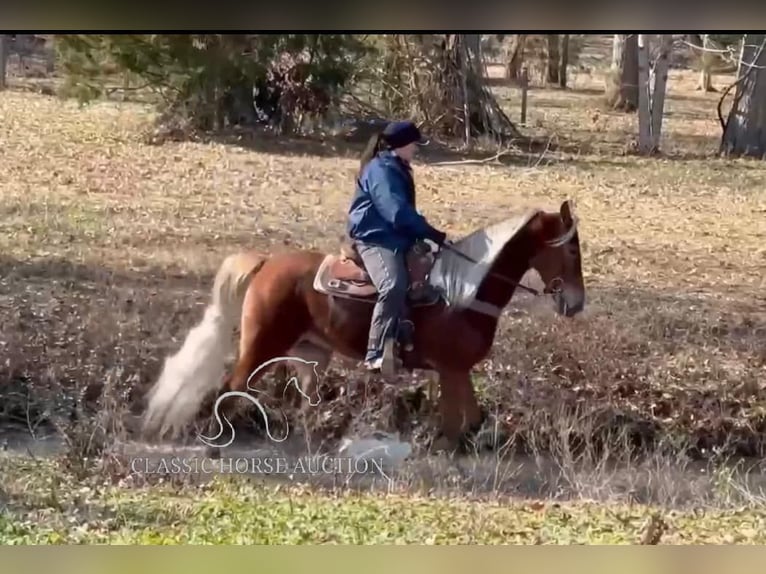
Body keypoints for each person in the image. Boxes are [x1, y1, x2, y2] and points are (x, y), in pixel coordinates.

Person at [346, 120, 449, 374]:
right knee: (393, 285)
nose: (416, 149)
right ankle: (376, 351)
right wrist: (431, 232)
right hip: (375, 238)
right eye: (414, 144)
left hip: (394, 238)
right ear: (402, 145)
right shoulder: (381, 170)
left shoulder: (395, 167)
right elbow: (396, 212)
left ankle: (406, 341)